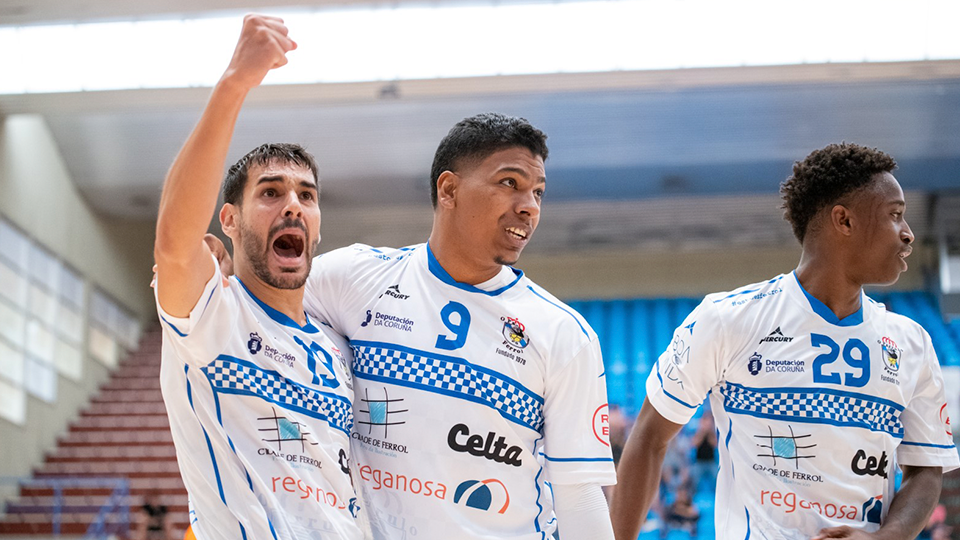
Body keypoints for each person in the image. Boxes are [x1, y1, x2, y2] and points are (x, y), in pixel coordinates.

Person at [610, 143, 960, 540]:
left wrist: (886, 538)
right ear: (843, 221)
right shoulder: (728, 319)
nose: (908, 233)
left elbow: (926, 469)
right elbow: (649, 437)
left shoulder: (912, 343)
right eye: (895, 215)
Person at [302, 113, 617, 539]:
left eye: (538, 192)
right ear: (449, 189)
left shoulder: (563, 333)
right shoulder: (354, 277)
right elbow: (252, 309)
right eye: (510, 183)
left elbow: (580, 496)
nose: (529, 206)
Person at [153, 15, 364, 540]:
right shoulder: (212, 316)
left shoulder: (338, 343)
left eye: (306, 196)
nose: (293, 204)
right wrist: (234, 84)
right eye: (271, 192)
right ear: (229, 220)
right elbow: (175, 247)